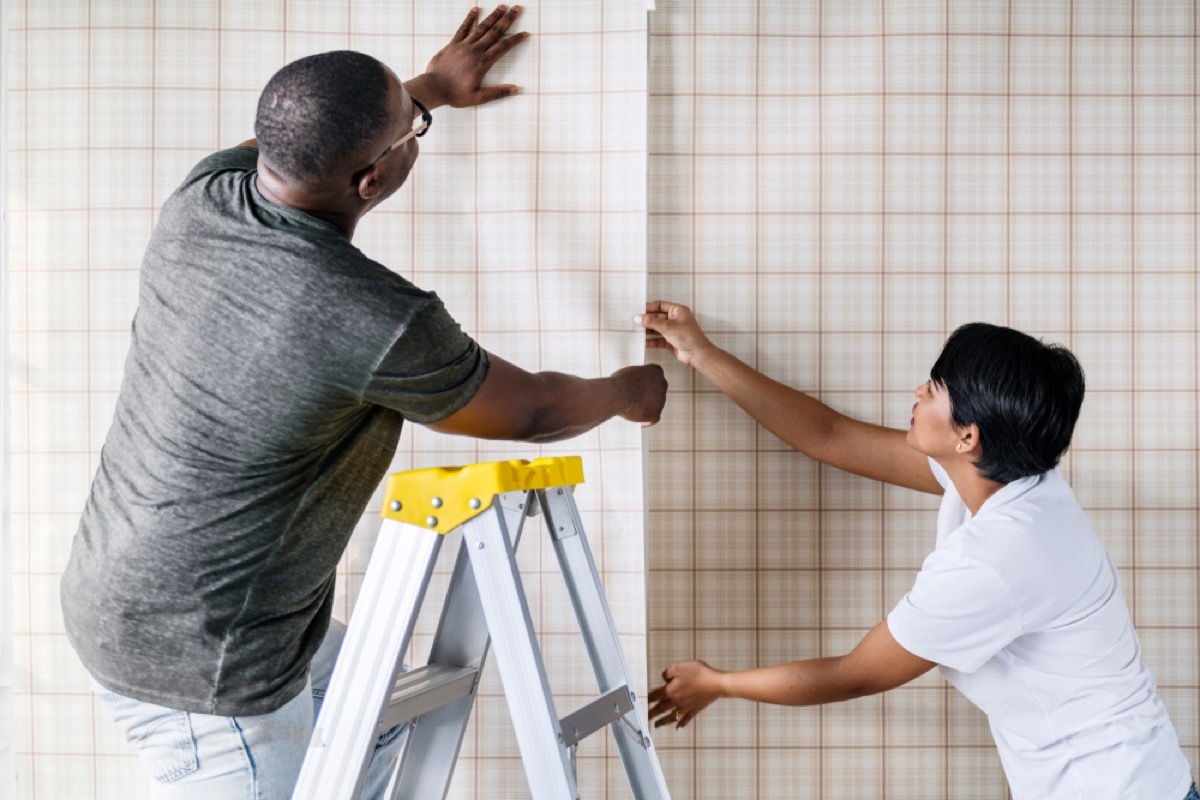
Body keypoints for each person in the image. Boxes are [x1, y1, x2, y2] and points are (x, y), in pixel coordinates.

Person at [61, 7, 667, 799]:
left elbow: (304, 145)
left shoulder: (202, 196)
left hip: (134, 592)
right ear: (372, 179)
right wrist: (631, 392)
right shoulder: (372, 317)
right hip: (206, 665)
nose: (417, 134)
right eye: (409, 135)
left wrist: (430, 93)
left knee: (378, 717)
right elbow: (534, 413)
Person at [637, 301, 1195, 800]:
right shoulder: (1018, 478)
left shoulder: (994, 558)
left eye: (937, 386)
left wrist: (718, 683)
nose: (919, 392)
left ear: (967, 436)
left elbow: (853, 674)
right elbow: (828, 435)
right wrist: (701, 353)